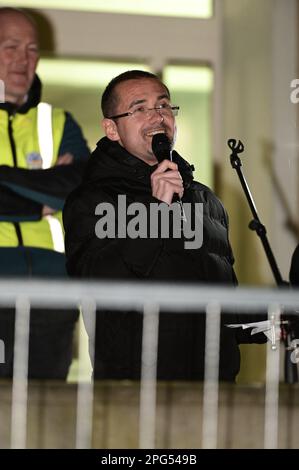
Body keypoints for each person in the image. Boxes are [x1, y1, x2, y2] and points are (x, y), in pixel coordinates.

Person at [63, 70, 264, 381]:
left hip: (213, 390)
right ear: (111, 128)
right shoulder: (92, 201)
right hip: (134, 391)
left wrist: (277, 316)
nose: (157, 117)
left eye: (164, 106)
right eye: (140, 108)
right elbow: (100, 288)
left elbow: (224, 304)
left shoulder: (205, 201)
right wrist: (158, 210)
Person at [0, 8, 90, 379]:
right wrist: (44, 191)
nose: (24, 59)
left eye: (33, 49)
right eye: (11, 46)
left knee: (46, 410)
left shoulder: (57, 122)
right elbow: (59, 187)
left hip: (55, 286)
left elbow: (81, 188)